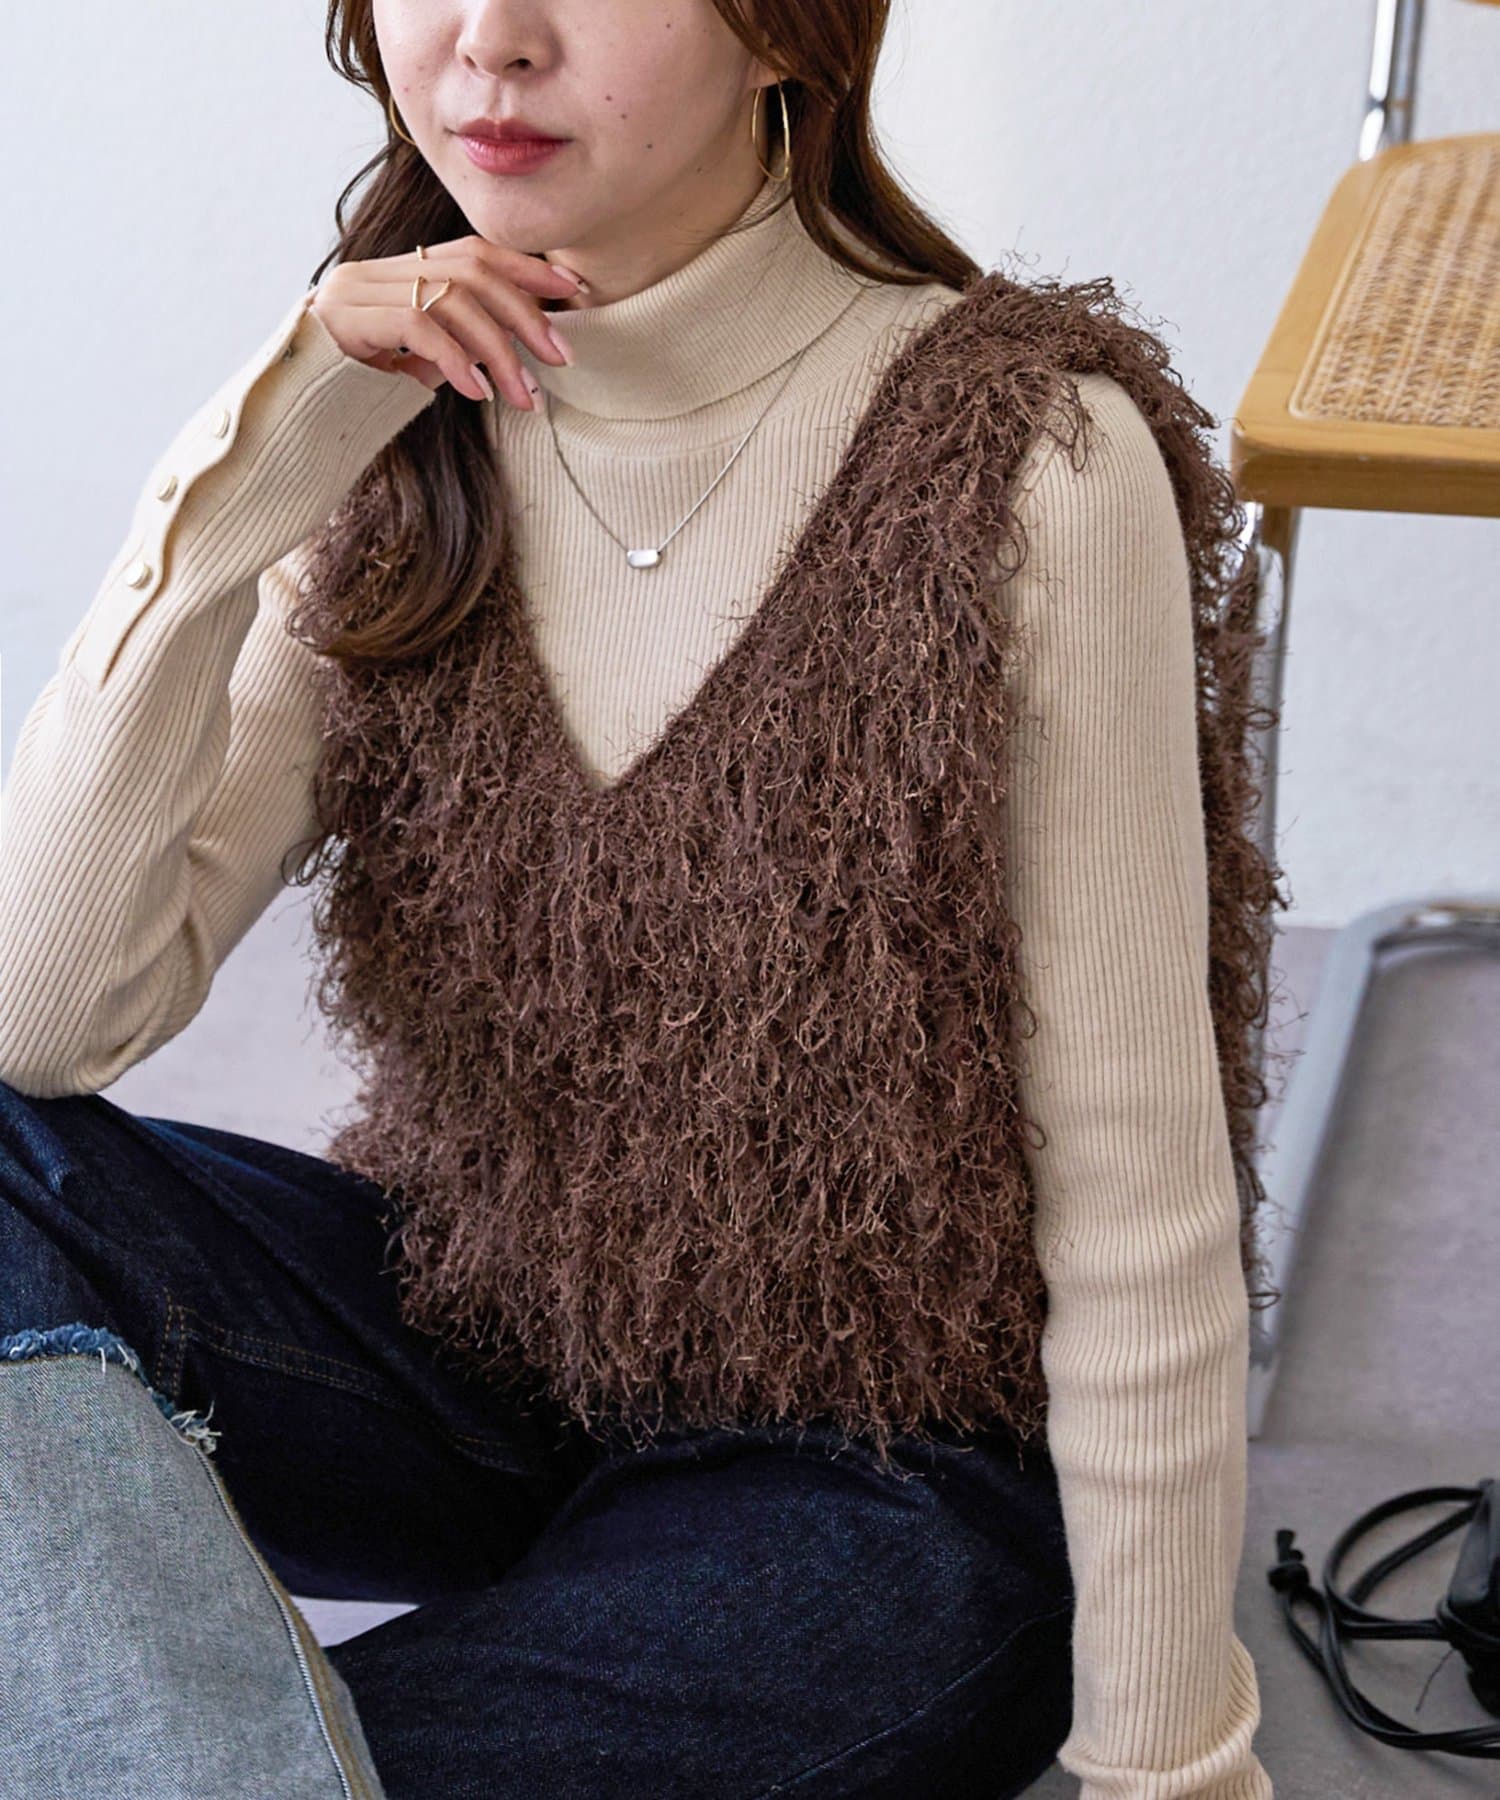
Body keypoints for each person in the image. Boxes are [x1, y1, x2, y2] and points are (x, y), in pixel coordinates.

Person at [0, 2, 1282, 1796]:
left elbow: (1141, 1198)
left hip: (887, 1475)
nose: (490, 41)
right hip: (484, 1363)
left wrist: (1175, 1771)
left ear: (788, 31)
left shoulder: (1026, 458)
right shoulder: (383, 420)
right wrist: (247, 471)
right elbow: (45, 1019)